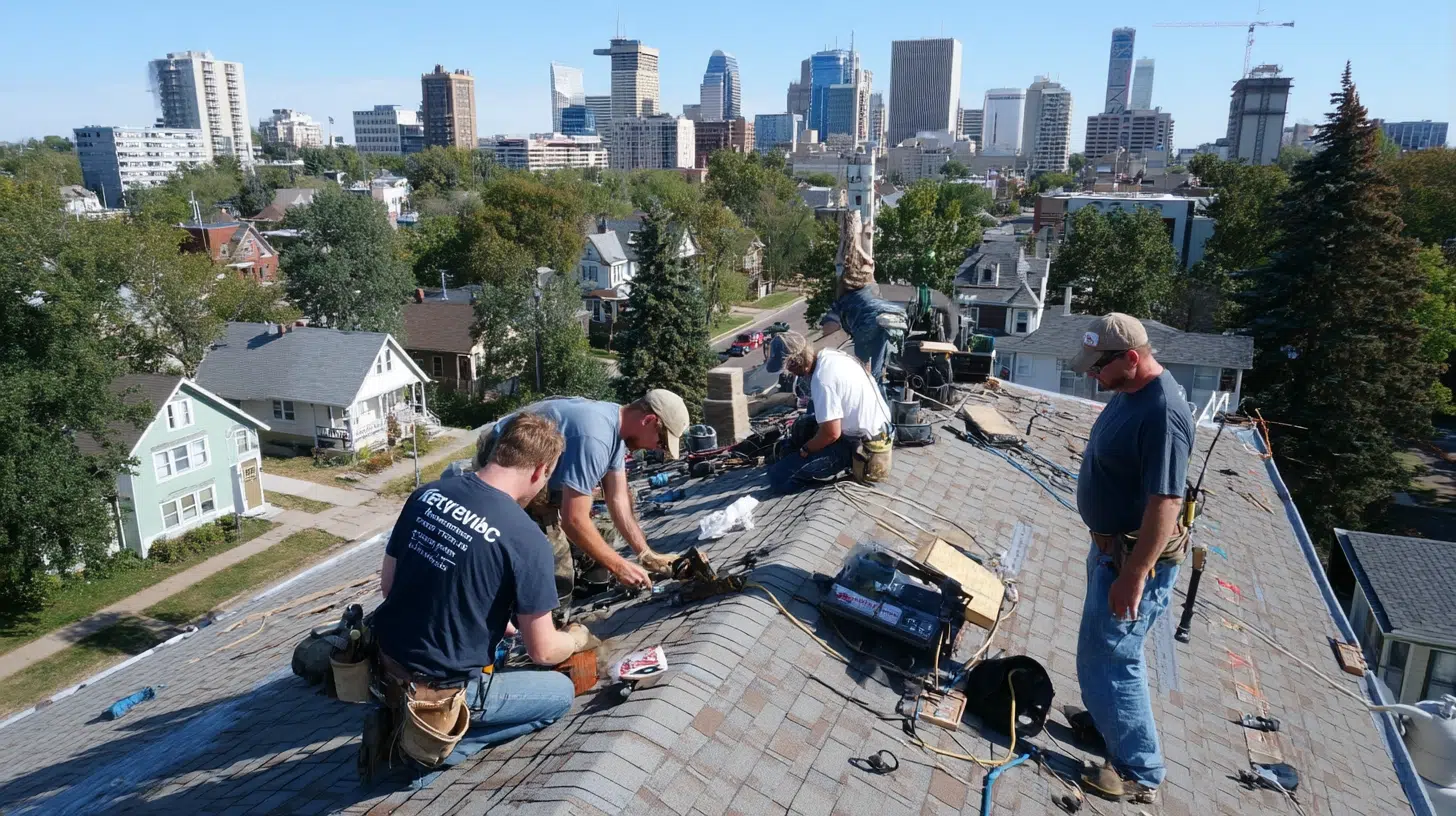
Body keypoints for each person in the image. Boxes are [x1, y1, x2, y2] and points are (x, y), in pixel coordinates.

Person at [371, 412, 591, 760]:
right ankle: (436, 751)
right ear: (539, 471)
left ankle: (412, 726)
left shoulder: (427, 495)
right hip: (442, 689)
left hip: (384, 668)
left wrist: (485, 619)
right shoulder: (527, 538)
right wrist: (577, 638)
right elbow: (543, 651)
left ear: (498, 452)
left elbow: (390, 588)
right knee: (560, 694)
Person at [1070, 313, 1193, 805]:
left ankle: (1140, 771)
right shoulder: (1130, 392)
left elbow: (1166, 504)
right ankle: (1108, 724)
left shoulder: (1163, 414)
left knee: (1116, 659)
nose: (1089, 374)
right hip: (1111, 552)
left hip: (1132, 561)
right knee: (1099, 653)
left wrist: (1134, 575)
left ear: (1132, 359)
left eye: (1097, 367)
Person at [478, 390, 690, 596]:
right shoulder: (595, 439)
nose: (657, 449)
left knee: (592, 558)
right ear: (649, 421)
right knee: (555, 573)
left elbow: (618, 499)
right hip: (501, 470)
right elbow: (574, 521)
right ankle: (540, 626)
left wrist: (646, 554)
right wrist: (620, 566)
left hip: (535, 476)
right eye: (661, 442)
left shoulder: (615, 429)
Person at [766, 331, 893, 494]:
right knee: (803, 427)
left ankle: (822, 473)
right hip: (876, 431)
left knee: (777, 477)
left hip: (863, 446)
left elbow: (831, 434)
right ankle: (796, 460)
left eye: (788, 369)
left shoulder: (822, 380)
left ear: (794, 363)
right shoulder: (830, 354)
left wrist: (805, 450)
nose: (790, 374)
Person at [819, 209, 907, 382]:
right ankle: (873, 381)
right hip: (886, 310)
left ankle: (870, 382)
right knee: (875, 359)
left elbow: (830, 329)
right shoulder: (863, 284)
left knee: (866, 367)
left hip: (868, 314)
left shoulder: (845, 300)